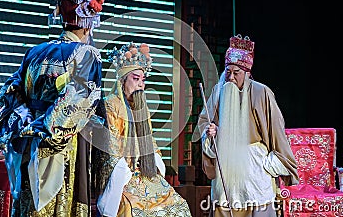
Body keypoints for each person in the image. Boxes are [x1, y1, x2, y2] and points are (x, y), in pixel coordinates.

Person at [0, 0, 105, 216]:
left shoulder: (36, 51)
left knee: (27, 204)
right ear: (88, 22)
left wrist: (26, 126)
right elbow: (76, 101)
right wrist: (44, 131)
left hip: (27, 141)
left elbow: (10, 94)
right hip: (57, 144)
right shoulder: (87, 54)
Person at [199, 34, 299, 217]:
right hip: (227, 171)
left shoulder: (262, 93)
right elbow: (205, 122)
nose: (230, 77)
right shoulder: (218, 91)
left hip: (254, 171)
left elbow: (277, 131)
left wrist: (266, 164)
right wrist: (210, 133)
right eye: (228, 72)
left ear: (246, 73)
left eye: (236, 73)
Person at [95, 42, 192, 217]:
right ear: (123, 80)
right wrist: (124, 170)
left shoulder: (142, 107)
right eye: (135, 78)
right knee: (136, 210)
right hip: (124, 174)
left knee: (179, 206)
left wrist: (154, 160)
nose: (141, 84)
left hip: (145, 173)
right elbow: (111, 146)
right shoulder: (111, 105)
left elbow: (150, 140)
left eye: (143, 79)